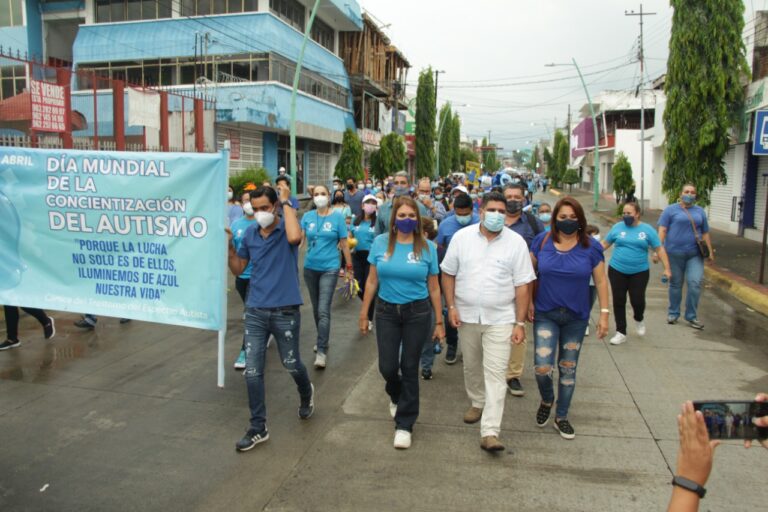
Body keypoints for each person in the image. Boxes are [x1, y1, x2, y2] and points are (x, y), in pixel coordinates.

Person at [442, 192, 535, 451]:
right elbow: (448, 273)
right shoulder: (462, 238)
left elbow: (523, 284)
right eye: (491, 210)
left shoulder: (516, 243)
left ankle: (490, 431)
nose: (496, 215)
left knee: (495, 374)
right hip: (467, 315)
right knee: (472, 366)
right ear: (480, 211)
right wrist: (450, 307)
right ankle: (477, 402)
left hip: (501, 319)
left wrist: (519, 322)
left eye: (501, 211)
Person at [226, 184, 314, 451]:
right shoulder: (251, 233)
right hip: (255, 309)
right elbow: (239, 267)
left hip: (285, 310)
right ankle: (257, 427)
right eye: (256, 208)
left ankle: (306, 392)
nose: (260, 213)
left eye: (265, 208)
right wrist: (230, 248)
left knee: (291, 363)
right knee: (252, 372)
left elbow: (294, 239)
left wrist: (287, 203)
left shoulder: (285, 227)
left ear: (274, 206)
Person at [358, 196, 444, 450]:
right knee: (387, 367)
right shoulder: (380, 243)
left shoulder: (427, 248)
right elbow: (372, 281)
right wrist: (364, 314)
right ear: (393, 218)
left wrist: (439, 321)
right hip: (386, 312)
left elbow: (434, 287)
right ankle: (396, 396)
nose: (407, 220)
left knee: (409, 367)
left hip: (417, 313)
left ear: (418, 219)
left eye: (412, 216)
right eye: (402, 215)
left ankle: (405, 424)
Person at [530, 196, 609, 440]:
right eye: (562, 217)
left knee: (568, 369)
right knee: (543, 368)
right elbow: (527, 274)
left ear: (580, 220)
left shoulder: (591, 247)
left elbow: (601, 281)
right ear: (555, 219)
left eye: (573, 217)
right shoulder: (541, 242)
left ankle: (561, 416)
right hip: (545, 314)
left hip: (576, 317)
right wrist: (528, 303)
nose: (567, 221)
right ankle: (547, 399)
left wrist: (604, 314)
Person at [602, 202, 672, 345]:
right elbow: (604, 244)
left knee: (637, 300)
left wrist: (667, 268)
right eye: (624, 213)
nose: (626, 216)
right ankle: (621, 332)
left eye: (629, 213)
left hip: (639, 271)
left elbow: (659, 249)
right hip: (617, 269)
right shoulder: (617, 227)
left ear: (637, 214)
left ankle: (639, 318)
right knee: (618, 300)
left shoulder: (647, 230)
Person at [302, 185, 353, 369]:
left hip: (330, 268)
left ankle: (321, 350)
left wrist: (349, 268)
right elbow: (298, 241)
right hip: (310, 268)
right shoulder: (307, 217)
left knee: (323, 309)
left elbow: (344, 244)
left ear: (329, 196)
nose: (320, 197)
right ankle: (321, 337)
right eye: (316, 194)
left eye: (323, 194)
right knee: (316, 309)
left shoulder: (338, 217)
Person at [502, 183, 545, 398]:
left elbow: (539, 263)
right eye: (508, 196)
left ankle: (513, 375)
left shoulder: (534, 225)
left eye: (517, 196)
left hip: (522, 286)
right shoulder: (491, 220)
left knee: (518, 329)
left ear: (524, 199)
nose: (512, 200)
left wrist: (531, 300)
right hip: (494, 285)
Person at [658, 184, 715, 330]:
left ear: (696, 195)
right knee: (676, 284)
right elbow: (663, 230)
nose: (689, 194)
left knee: (695, 283)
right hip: (674, 253)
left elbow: (705, 232)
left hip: (694, 254)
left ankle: (691, 316)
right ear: (680, 193)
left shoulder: (700, 211)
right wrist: (658, 249)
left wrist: (710, 251)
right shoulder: (670, 210)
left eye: (692, 192)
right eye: (686, 191)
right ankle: (673, 313)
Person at [435, 193, 479, 365]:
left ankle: (475, 347)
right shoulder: (445, 225)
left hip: (475, 274)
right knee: (451, 308)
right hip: (452, 275)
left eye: (465, 214)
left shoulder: (479, 223)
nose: (462, 218)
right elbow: (440, 248)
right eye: (458, 214)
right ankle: (452, 344)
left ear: (472, 210)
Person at [231, 190, 257, 370]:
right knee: (251, 311)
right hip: (241, 276)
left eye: (251, 200)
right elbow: (231, 247)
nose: (248, 204)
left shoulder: (261, 223)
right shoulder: (236, 224)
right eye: (245, 201)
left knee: (249, 313)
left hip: (258, 276)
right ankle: (265, 330)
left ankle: (245, 351)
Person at [351, 194, 378, 331]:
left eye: (373, 203)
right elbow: (349, 237)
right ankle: (366, 304)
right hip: (356, 256)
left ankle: (369, 317)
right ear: (362, 205)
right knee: (358, 286)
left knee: (369, 287)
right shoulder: (356, 221)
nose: (370, 205)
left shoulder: (377, 222)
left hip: (371, 258)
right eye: (368, 202)